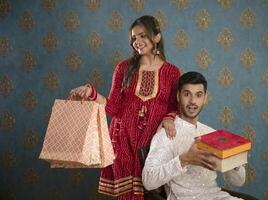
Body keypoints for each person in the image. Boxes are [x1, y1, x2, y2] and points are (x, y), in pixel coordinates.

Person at [69, 15, 180, 199]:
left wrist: (169, 118)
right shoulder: (123, 68)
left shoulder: (172, 72)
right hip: (122, 141)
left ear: (157, 37)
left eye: (143, 36)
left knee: (153, 194)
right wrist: (91, 93)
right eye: (134, 38)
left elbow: (174, 106)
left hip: (152, 146)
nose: (137, 42)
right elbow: (112, 108)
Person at [142, 72, 246, 200]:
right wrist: (184, 159)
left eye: (198, 95)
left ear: (205, 98)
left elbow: (238, 182)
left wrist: (236, 162)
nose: (192, 101)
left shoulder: (211, 133)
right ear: (178, 96)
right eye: (187, 94)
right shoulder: (167, 133)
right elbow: (148, 180)